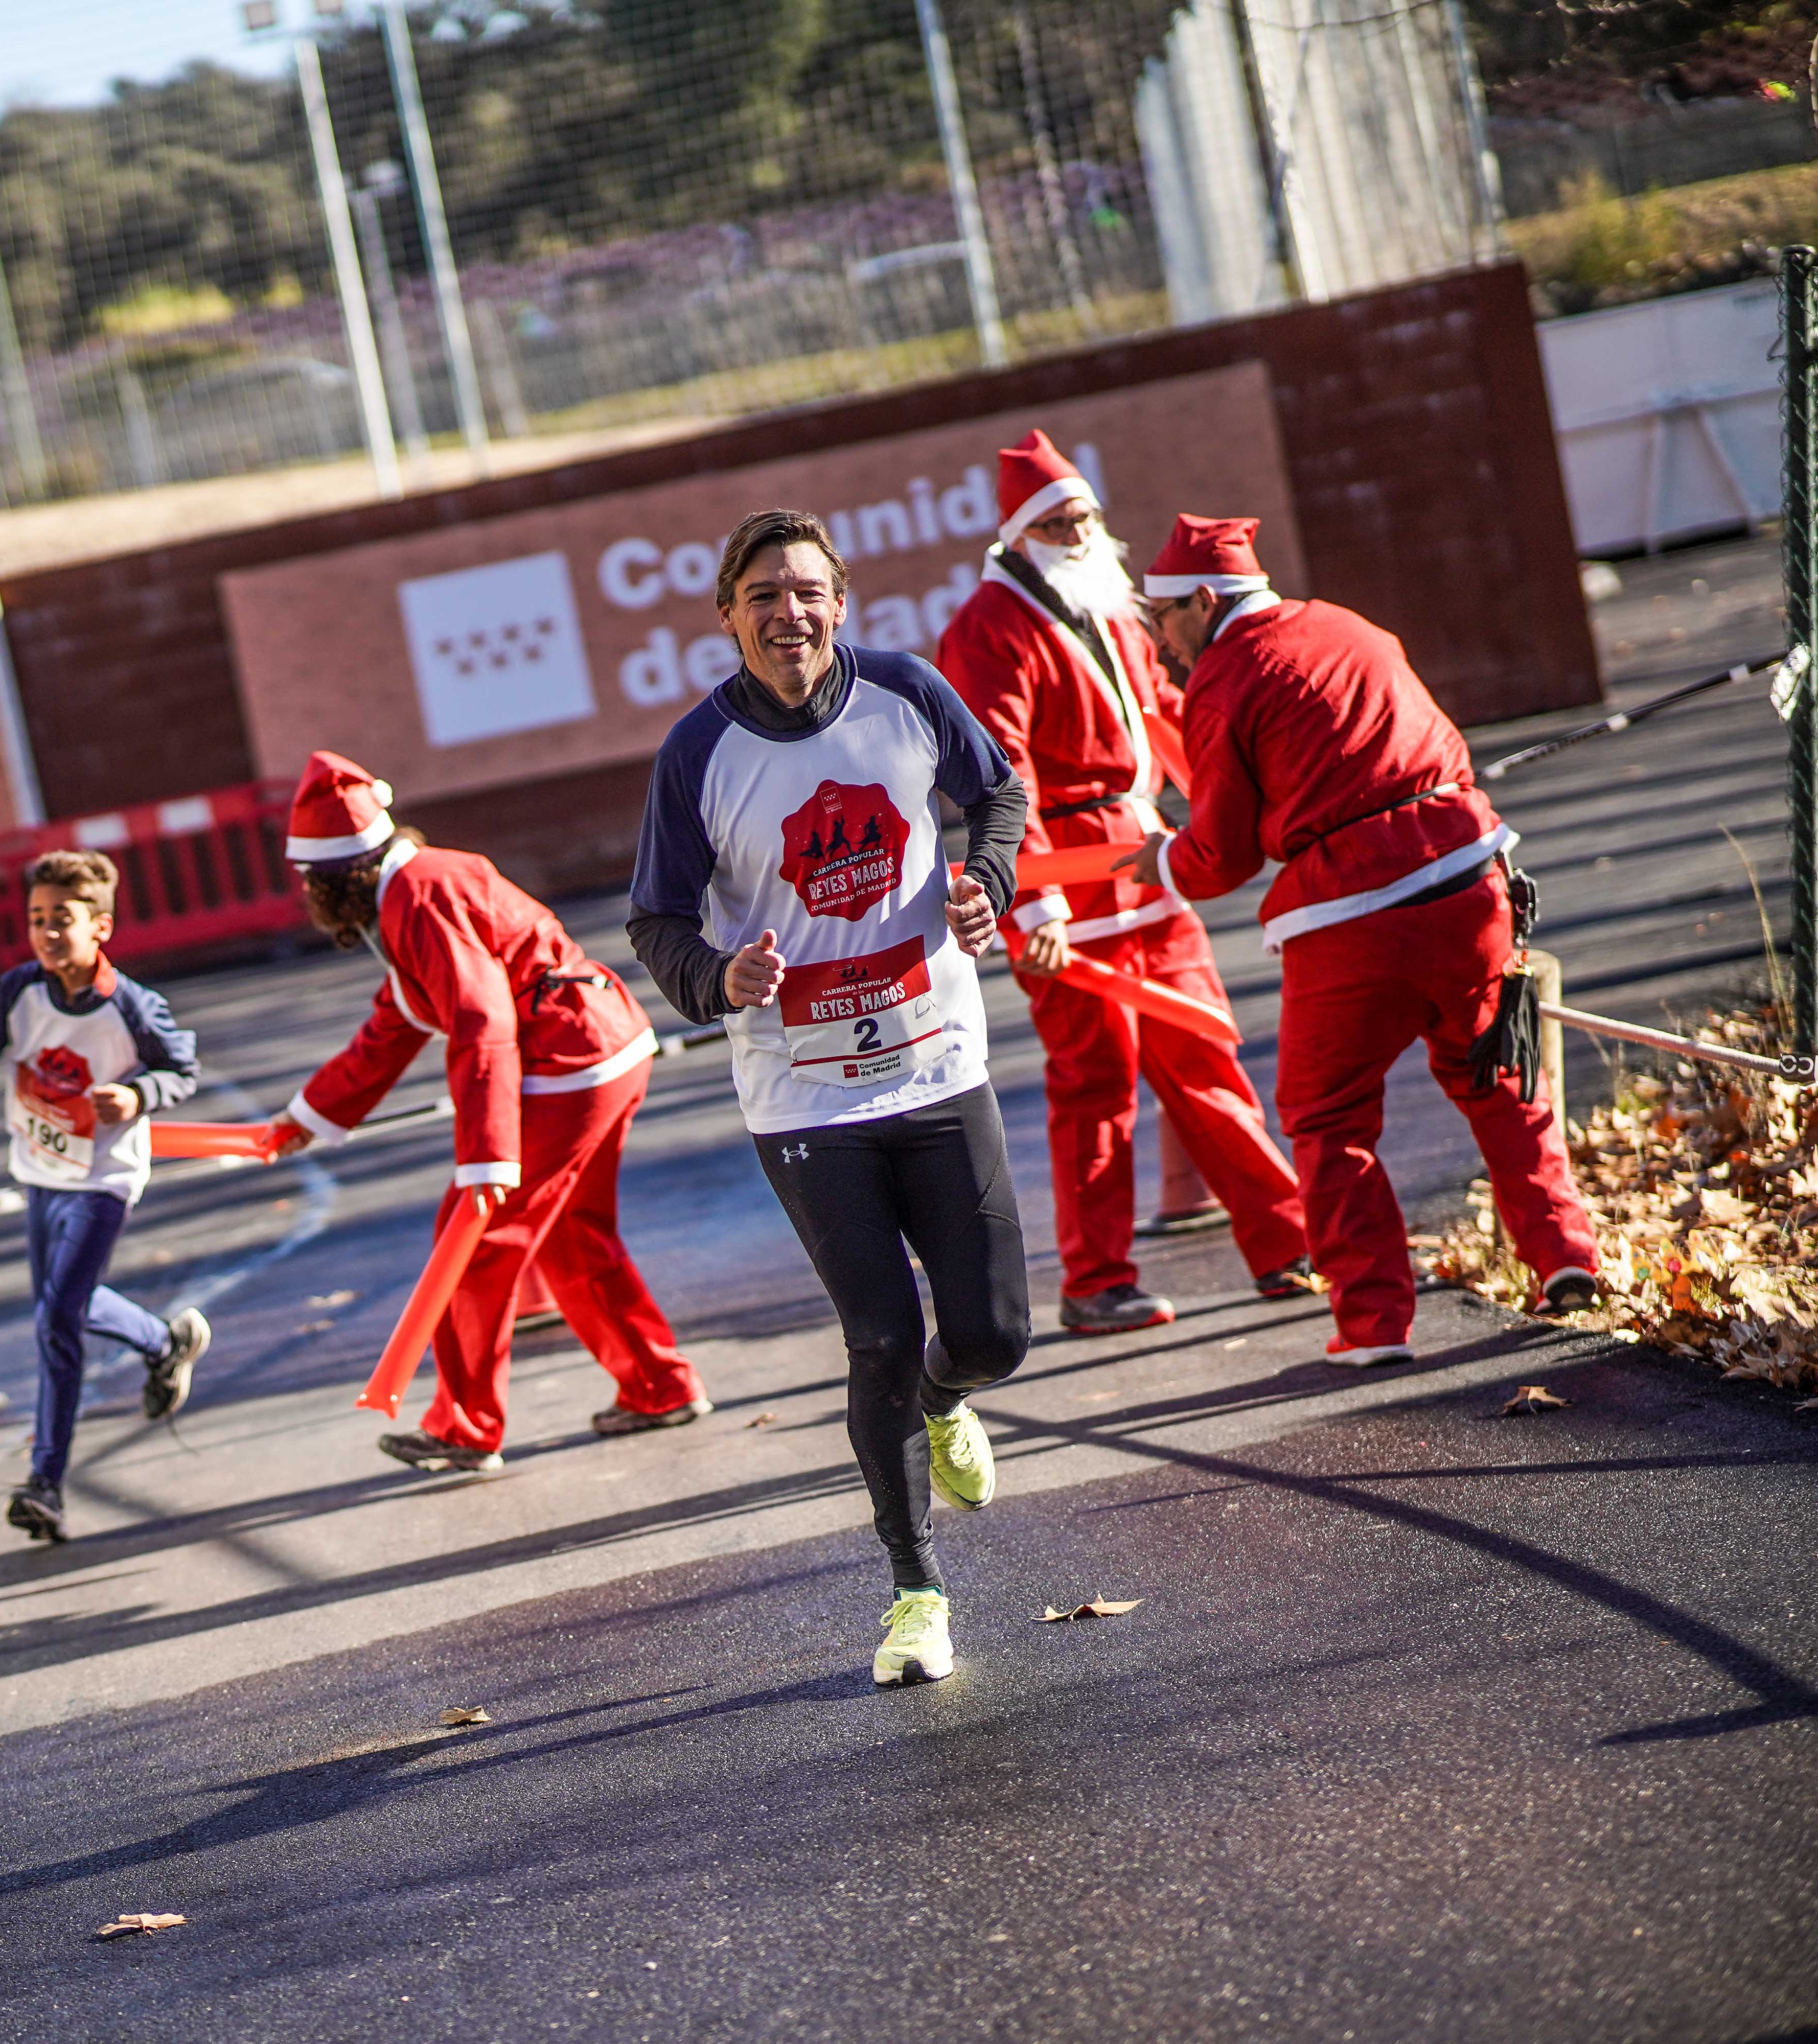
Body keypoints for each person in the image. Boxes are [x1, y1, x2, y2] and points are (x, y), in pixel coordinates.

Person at [628, 507, 1030, 1690]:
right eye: (763, 596)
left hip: (938, 1060)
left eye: (807, 591)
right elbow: (655, 918)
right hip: (803, 1098)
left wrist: (988, 884)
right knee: (877, 1335)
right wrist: (717, 975)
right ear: (728, 619)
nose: (787, 613)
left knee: (993, 1332)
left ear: (840, 604)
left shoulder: (906, 694)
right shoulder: (696, 753)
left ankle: (950, 1396)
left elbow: (998, 794)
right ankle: (917, 1592)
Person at [1123, 515, 1600, 1365]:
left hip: (1349, 920)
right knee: (1497, 1076)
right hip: (1468, 882)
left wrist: (1162, 858)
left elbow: (1221, 855)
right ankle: (1566, 1255)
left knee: (1329, 1117)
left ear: (1202, 600)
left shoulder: (1226, 679)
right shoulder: (1349, 625)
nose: (1161, 646)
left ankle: (1375, 1325)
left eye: (1162, 621)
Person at [936, 432, 1313, 1334]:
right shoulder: (986, 629)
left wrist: (1261, 805)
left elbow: (1172, 715)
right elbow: (998, 772)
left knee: (1206, 1055)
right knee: (1093, 1083)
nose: (1081, 531)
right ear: (1020, 535)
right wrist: (1032, 899)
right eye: (1062, 521)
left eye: (1088, 516)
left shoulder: (1104, 603)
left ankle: (1291, 1245)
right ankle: (1097, 1280)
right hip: (1062, 880)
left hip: (1146, 859)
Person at [264, 750, 708, 1474]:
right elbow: (397, 1022)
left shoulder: (417, 897)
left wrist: (486, 1160)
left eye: (310, 882)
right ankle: (658, 1385)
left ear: (335, 874)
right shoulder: (415, 883)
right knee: (572, 1237)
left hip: (567, 1060)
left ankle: (466, 1427)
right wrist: (307, 1117)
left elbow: (480, 1023)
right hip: (604, 1043)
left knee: (470, 1243)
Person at [0, 849, 213, 1541]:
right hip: (39, 1174)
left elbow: (182, 1068)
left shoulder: (132, 1006)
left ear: (102, 928)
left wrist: (139, 1093)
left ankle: (45, 1484)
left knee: (58, 1317)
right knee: (59, 1315)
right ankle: (162, 1342)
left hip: (103, 1177)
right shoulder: (16, 993)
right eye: (36, 920)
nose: (47, 933)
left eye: (63, 919)